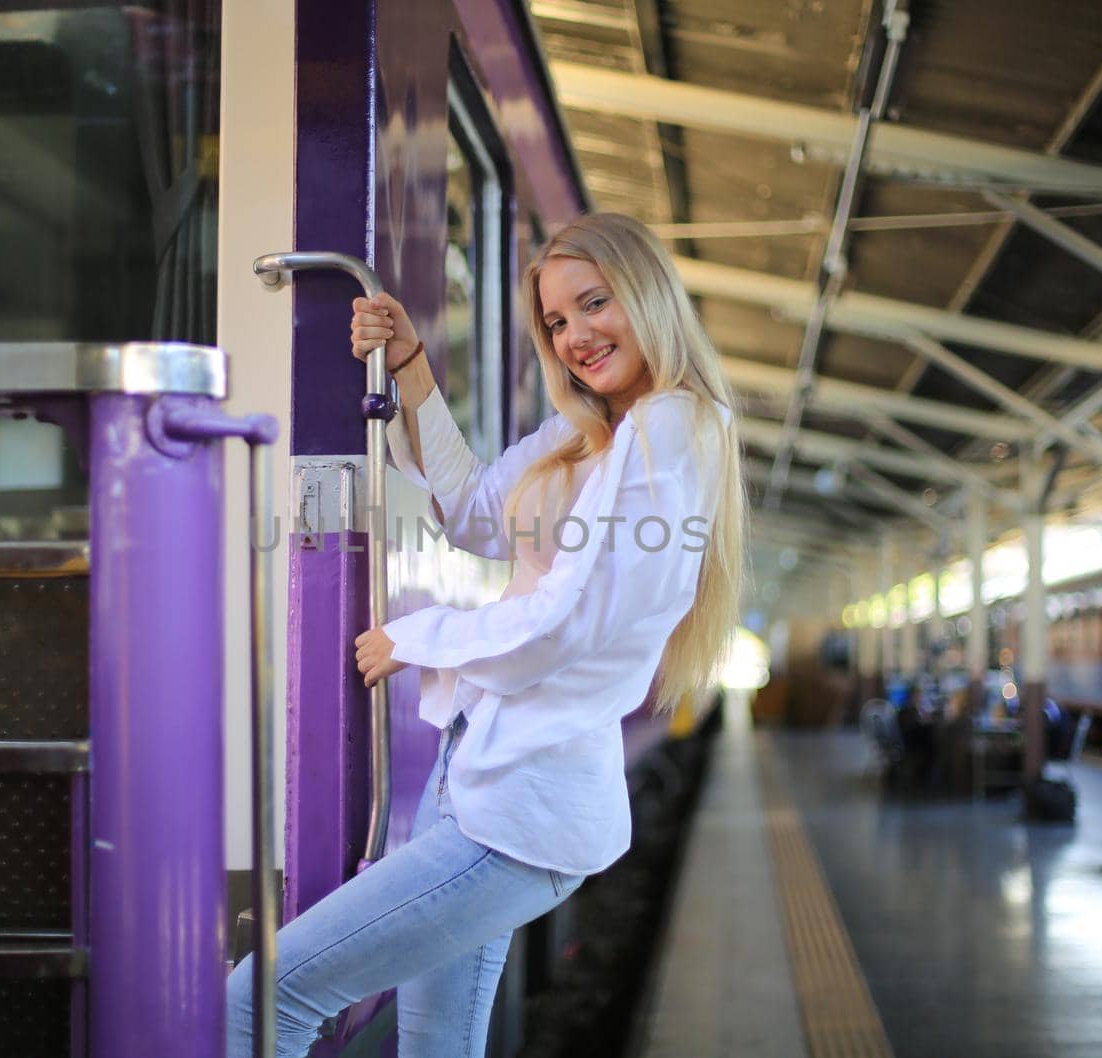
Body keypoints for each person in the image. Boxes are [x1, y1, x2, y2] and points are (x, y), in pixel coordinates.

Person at [226, 212, 746, 1057]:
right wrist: (410, 367)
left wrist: (420, 636)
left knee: (260, 1004)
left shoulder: (672, 425)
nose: (575, 335)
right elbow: (472, 512)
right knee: (434, 1046)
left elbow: (575, 618)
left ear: (647, 297)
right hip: (476, 776)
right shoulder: (590, 435)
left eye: (595, 303)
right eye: (556, 322)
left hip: (519, 808)